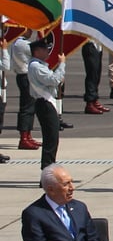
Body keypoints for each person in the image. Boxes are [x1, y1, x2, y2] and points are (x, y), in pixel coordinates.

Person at [27, 36, 65, 169]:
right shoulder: (36, 67)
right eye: (45, 49)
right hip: (45, 104)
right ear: (37, 51)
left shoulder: (39, 66)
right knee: (51, 139)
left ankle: (49, 168)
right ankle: (47, 171)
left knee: (53, 138)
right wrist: (62, 65)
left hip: (46, 103)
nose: (48, 52)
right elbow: (53, 80)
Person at [81, 40, 109, 115]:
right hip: (90, 44)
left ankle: (94, 99)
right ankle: (89, 103)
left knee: (97, 74)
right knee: (92, 74)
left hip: (98, 44)